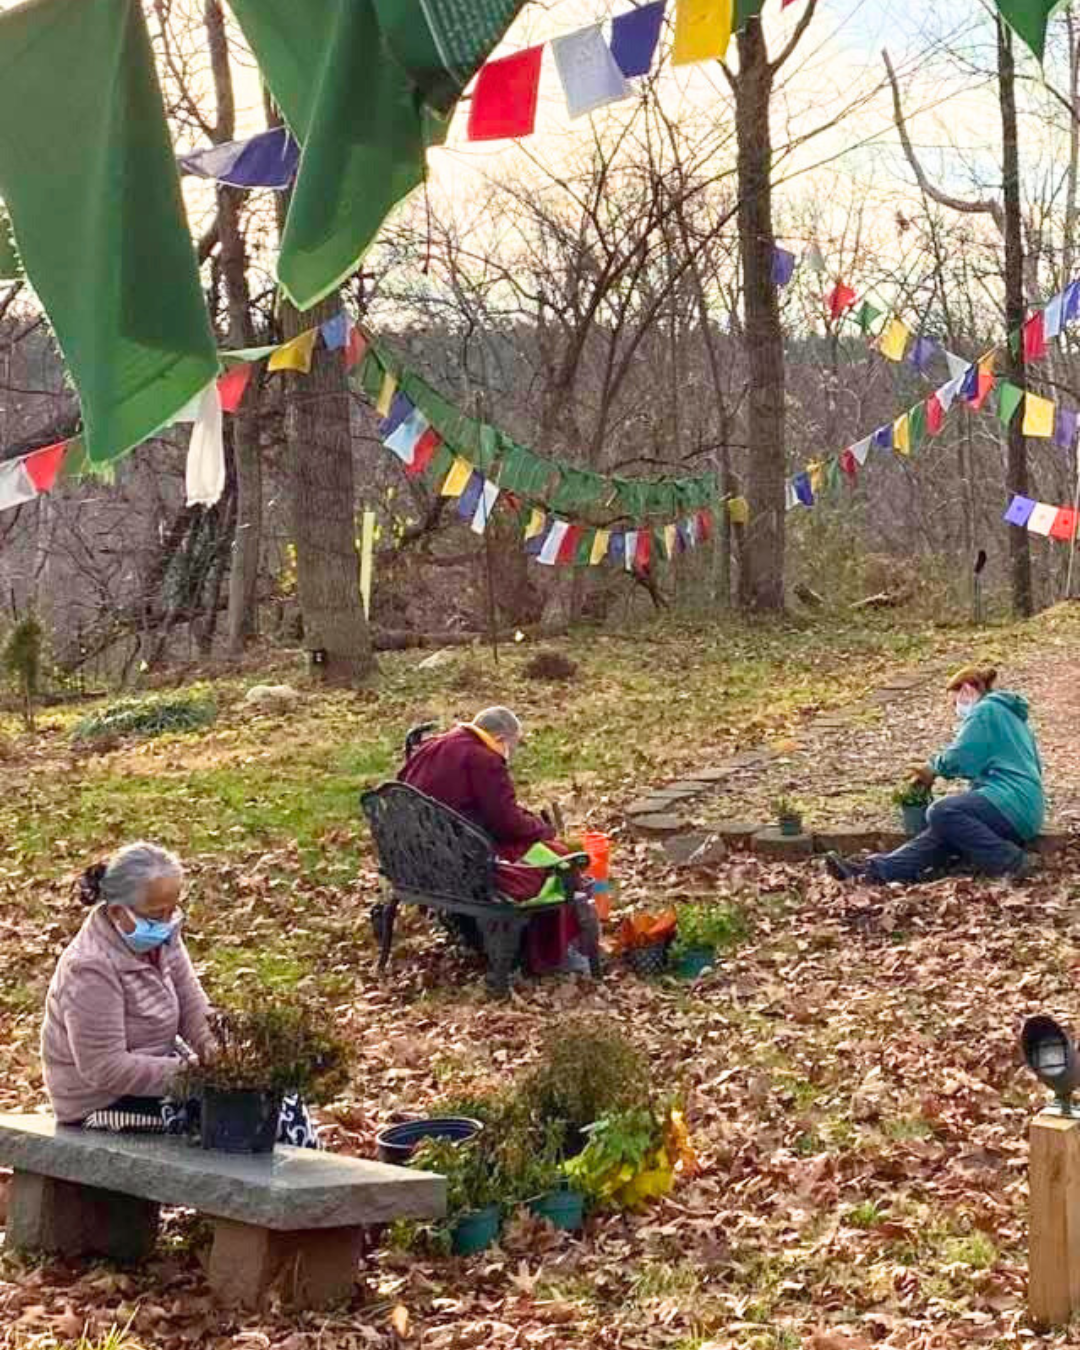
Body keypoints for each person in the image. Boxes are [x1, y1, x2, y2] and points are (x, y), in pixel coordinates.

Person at [42, 842, 317, 1145]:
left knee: (280, 1103)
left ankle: (305, 1189)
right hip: (101, 1103)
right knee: (232, 1122)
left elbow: (194, 1007)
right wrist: (198, 1077)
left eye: (172, 910)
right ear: (119, 912)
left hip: (162, 1078)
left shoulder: (164, 938)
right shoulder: (89, 967)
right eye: (157, 914)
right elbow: (106, 1068)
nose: (167, 922)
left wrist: (228, 1061)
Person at [398, 707, 595, 974]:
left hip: (415, 856)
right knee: (556, 858)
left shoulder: (434, 747)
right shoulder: (483, 759)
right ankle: (551, 953)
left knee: (539, 850)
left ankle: (480, 937)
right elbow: (506, 822)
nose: (510, 753)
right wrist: (541, 829)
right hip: (460, 860)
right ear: (501, 738)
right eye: (512, 745)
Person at [825, 665, 1044, 885]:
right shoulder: (1010, 716)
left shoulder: (985, 710)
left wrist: (932, 768)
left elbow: (961, 755)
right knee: (942, 832)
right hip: (1023, 805)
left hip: (1011, 802)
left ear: (967, 690)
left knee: (942, 811)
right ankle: (873, 872)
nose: (955, 709)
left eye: (953, 702)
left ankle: (1011, 862)